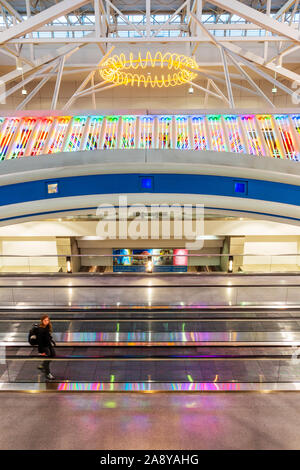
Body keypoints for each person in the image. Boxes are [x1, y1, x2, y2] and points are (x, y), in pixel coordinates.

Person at [37, 314, 56, 380]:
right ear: (42, 321)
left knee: (53, 355)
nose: (46, 321)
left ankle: (43, 365)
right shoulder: (40, 329)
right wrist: (41, 351)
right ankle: (48, 374)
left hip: (48, 345)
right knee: (47, 359)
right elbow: (39, 341)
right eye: (45, 320)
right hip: (44, 347)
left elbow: (48, 336)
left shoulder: (47, 327)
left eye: (47, 320)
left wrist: (51, 341)